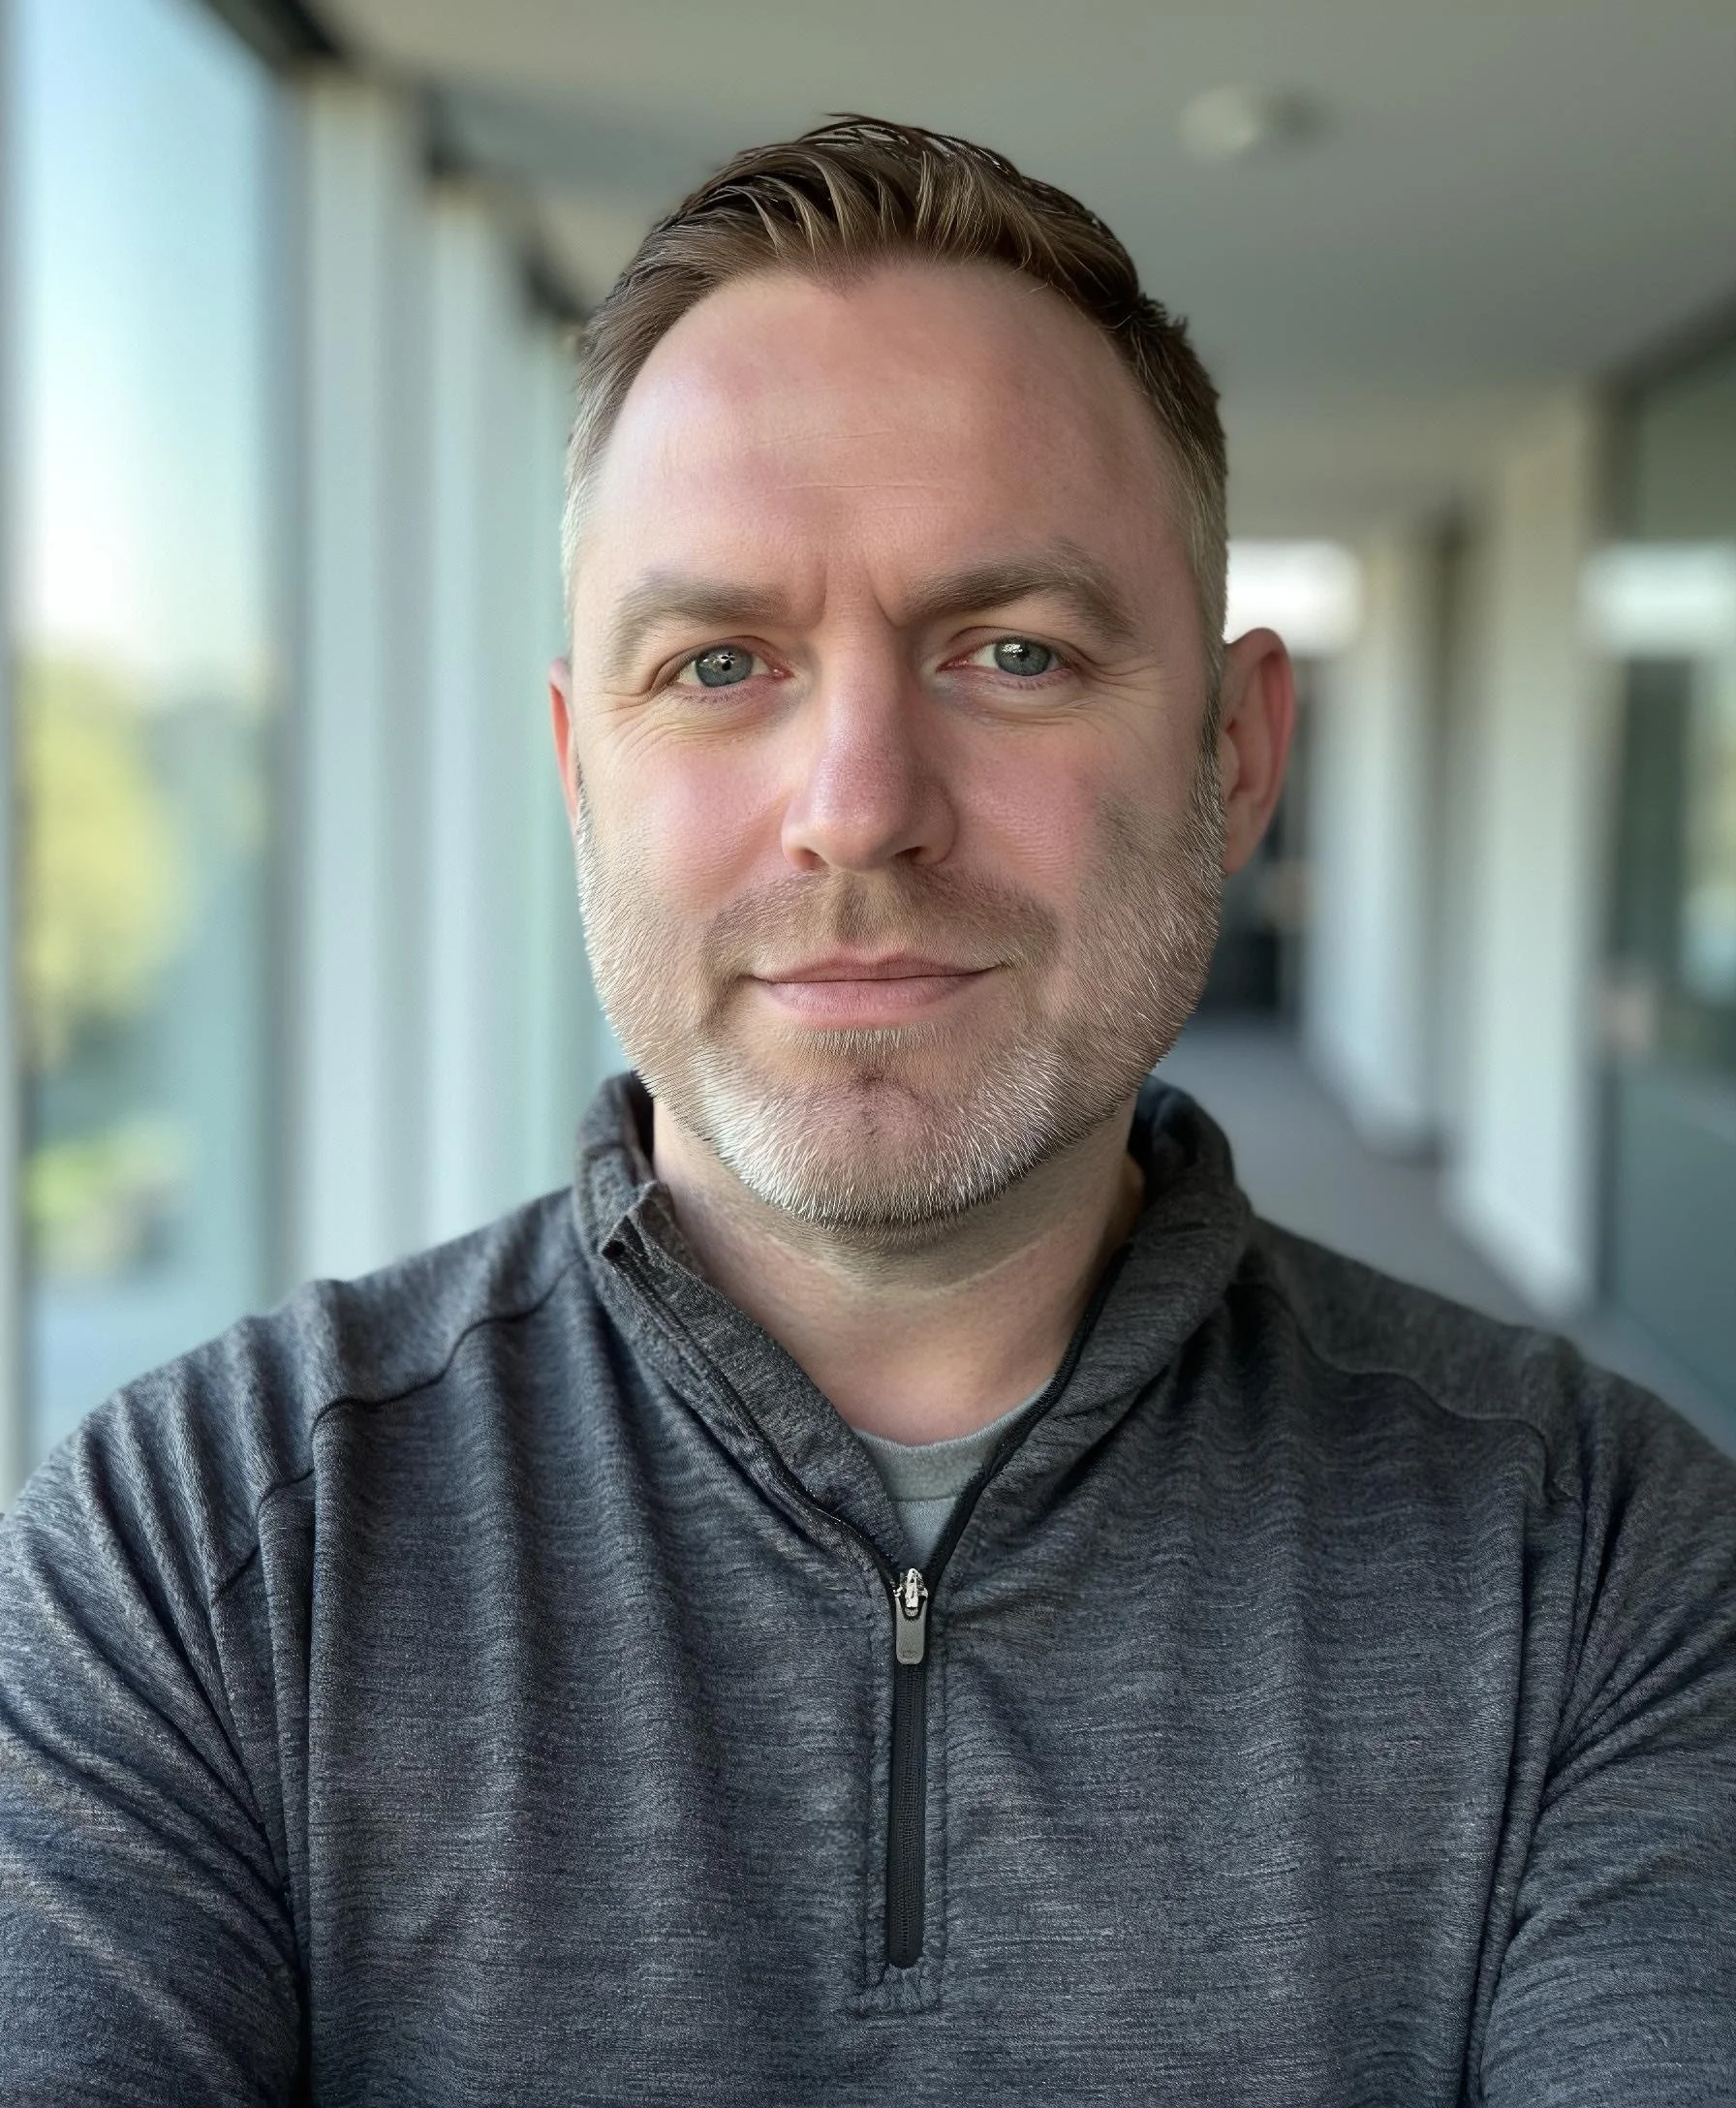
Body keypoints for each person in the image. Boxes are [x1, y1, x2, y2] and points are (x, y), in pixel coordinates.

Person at [2, 115, 1732, 2106]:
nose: (857, 806)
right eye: (718, 662)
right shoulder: (202, 1545)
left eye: (1014, 651)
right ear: (580, 771)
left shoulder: (1592, 1558)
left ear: (1236, 754)